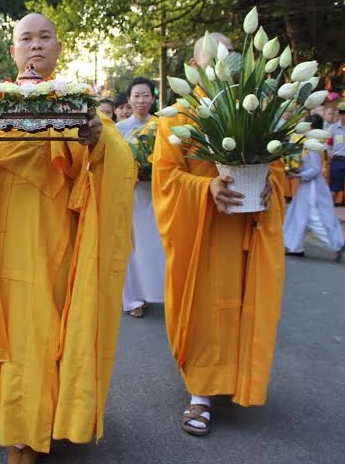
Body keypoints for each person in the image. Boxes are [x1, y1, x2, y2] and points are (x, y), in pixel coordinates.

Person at [0, 13, 135, 464]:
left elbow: (119, 161)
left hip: (63, 241)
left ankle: (53, 417)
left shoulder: (77, 104)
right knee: (20, 338)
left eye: (44, 37)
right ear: (13, 51)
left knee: (58, 335)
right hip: (6, 244)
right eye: (26, 39)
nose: (35, 46)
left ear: (58, 48)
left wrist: (97, 141)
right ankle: (23, 434)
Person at [152, 33, 285, 437]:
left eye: (231, 55)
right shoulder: (177, 115)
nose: (224, 62)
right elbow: (165, 177)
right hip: (202, 234)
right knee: (208, 310)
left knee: (244, 306)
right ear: (194, 66)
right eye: (215, 56)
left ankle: (238, 378)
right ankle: (201, 394)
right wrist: (204, 187)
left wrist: (270, 186)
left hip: (246, 228)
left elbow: (276, 166)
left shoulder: (256, 110)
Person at [114, 77, 165, 318]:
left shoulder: (162, 125)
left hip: (156, 193)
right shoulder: (119, 129)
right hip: (130, 194)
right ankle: (133, 299)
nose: (141, 100)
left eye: (146, 95)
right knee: (132, 248)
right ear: (129, 99)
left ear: (153, 98)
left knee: (153, 245)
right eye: (136, 95)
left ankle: (153, 292)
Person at [283, 114, 345, 260]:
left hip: (312, 187)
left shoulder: (313, 146)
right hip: (306, 185)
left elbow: (316, 169)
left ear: (311, 127)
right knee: (297, 214)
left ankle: (337, 244)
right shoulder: (307, 143)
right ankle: (295, 246)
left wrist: (298, 175)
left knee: (314, 217)